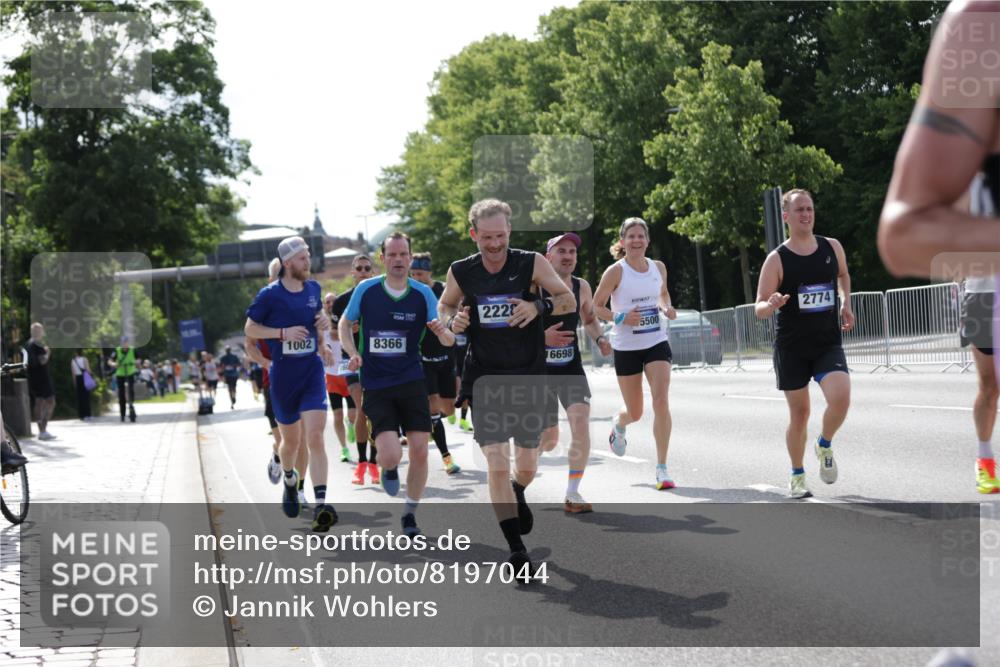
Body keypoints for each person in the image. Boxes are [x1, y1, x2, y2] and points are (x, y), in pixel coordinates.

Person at [879, 1, 1000, 494]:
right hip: (983, 292)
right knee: (990, 386)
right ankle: (985, 458)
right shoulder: (984, 22)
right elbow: (904, 234)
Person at [438, 198, 575, 575]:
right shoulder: (461, 271)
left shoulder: (530, 262)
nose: (494, 245)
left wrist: (538, 308)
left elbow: (567, 298)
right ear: (473, 235)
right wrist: (454, 323)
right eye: (486, 238)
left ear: (509, 232)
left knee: (527, 465)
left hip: (529, 376)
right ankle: (517, 551)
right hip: (485, 379)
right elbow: (445, 306)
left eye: (500, 236)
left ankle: (519, 490)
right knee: (496, 463)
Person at [340, 232, 454, 537]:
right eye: (392, 255)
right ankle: (388, 468)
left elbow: (447, 338)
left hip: (411, 379)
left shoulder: (423, 294)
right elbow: (343, 324)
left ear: (410, 257)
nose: (399, 260)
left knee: (419, 449)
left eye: (404, 254)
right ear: (383, 259)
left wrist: (444, 333)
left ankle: (410, 515)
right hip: (376, 383)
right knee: (391, 454)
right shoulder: (366, 290)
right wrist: (352, 353)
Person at [755, 189, 854, 499]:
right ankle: (797, 474)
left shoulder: (831, 247)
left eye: (809, 208)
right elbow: (758, 307)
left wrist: (845, 302)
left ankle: (824, 443)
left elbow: (843, 274)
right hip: (792, 347)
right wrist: (770, 304)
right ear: (786, 216)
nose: (806, 214)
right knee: (800, 414)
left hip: (827, 342)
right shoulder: (777, 259)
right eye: (799, 210)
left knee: (841, 398)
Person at [245, 236, 337, 531]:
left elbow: (316, 318)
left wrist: (322, 331)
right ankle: (288, 478)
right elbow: (250, 328)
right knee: (290, 443)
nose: (307, 262)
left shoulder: (313, 288)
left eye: (308, 256)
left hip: (311, 373)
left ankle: (321, 504)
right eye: (302, 258)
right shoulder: (269, 295)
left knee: (316, 438)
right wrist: (281, 333)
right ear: (287, 263)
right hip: (283, 378)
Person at [593, 218, 678, 490]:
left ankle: (662, 468)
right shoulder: (615, 272)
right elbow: (596, 306)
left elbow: (663, 294)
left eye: (641, 236)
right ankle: (619, 423)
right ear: (622, 241)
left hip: (656, 341)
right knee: (636, 412)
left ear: (648, 240)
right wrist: (620, 317)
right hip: (627, 347)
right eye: (631, 236)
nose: (636, 240)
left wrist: (667, 308)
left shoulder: (658, 267)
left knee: (661, 400)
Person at [539, 232, 613, 513]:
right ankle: (518, 476)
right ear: (548, 258)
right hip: (539, 370)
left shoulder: (581, 286)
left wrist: (600, 339)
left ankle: (572, 493)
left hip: (569, 366)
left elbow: (590, 319)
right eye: (562, 251)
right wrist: (540, 337)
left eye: (572, 251)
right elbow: (515, 325)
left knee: (581, 424)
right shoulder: (534, 287)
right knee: (548, 440)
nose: (568, 256)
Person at [245, 257, 310, 505]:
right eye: (279, 275)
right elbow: (249, 345)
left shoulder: (302, 302)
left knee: (302, 438)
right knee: (285, 441)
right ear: (272, 279)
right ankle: (277, 456)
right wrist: (267, 364)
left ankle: (299, 488)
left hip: (301, 379)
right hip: (273, 382)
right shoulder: (260, 309)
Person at [409, 251, 461, 475]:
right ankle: (446, 457)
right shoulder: (411, 293)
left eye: (419, 273)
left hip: (446, 358)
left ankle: (431, 423)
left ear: (429, 272)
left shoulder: (442, 290)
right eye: (413, 273)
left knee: (448, 409)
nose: (416, 277)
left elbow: (455, 314)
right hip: (424, 360)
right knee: (433, 409)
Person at [331, 254, 378, 486]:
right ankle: (361, 463)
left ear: (372, 271)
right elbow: (333, 332)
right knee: (362, 409)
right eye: (358, 268)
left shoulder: (380, 295)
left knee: (376, 412)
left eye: (366, 268)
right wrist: (349, 329)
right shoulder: (342, 301)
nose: (362, 271)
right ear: (352, 272)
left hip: (378, 361)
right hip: (351, 361)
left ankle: (374, 462)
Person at [323, 291, 353, 464]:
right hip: (331, 375)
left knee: (353, 414)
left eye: (333, 301)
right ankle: (344, 449)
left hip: (348, 371)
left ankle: (352, 424)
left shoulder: (348, 320)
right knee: (337, 415)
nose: (330, 304)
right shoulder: (320, 324)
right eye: (327, 302)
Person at [23, 323, 57, 440]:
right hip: (41, 378)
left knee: (40, 402)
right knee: (49, 401)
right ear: (38, 331)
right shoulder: (36, 345)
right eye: (41, 330)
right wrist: (47, 353)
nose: (43, 333)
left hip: (34, 378)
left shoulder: (29, 344)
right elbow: (42, 361)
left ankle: (42, 430)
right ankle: (42, 429)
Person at [110, 335, 137, 423]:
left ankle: (131, 404)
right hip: (120, 374)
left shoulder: (133, 350)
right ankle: (122, 413)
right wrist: (114, 364)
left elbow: (139, 359)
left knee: (131, 390)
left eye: (126, 342)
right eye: (123, 343)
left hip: (130, 372)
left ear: (128, 343)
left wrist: (137, 362)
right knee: (121, 393)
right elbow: (110, 361)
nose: (125, 344)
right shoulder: (117, 350)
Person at [70, 348, 93, 421]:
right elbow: (88, 370)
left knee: (79, 397)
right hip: (84, 378)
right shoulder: (84, 359)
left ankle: (81, 415)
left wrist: (74, 382)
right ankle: (88, 414)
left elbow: (73, 373)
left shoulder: (73, 361)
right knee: (86, 396)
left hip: (77, 378)